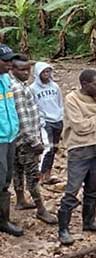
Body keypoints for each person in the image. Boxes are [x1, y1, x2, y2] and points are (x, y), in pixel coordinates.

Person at [57, 69, 96, 245]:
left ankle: (89, 222)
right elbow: (80, 127)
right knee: (72, 189)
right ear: (84, 84)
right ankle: (63, 229)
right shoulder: (71, 99)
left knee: (93, 187)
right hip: (78, 149)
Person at [10, 55, 57, 224]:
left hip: (16, 139)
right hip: (26, 140)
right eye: (22, 70)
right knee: (32, 174)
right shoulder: (18, 89)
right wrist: (35, 141)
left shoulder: (18, 85)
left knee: (17, 169)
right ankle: (41, 209)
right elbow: (22, 118)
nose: (26, 73)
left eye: (28, 70)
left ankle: (21, 200)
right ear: (12, 70)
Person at [0, 44, 23, 236]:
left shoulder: (6, 78)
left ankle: (3, 220)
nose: (9, 64)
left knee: (6, 178)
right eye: (5, 61)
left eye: (10, 60)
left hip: (10, 136)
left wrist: (16, 128)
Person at [31, 62, 63, 185]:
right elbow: (33, 106)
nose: (46, 74)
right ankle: (40, 174)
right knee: (47, 148)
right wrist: (40, 121)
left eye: (48, 71)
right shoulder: (33, 89)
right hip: (45, 122)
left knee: (54, 148)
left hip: (57, 120)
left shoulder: (55, 87)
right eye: (44, 72)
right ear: (38, 73)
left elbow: (60, 102)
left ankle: (48, 174)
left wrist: (61, 115)